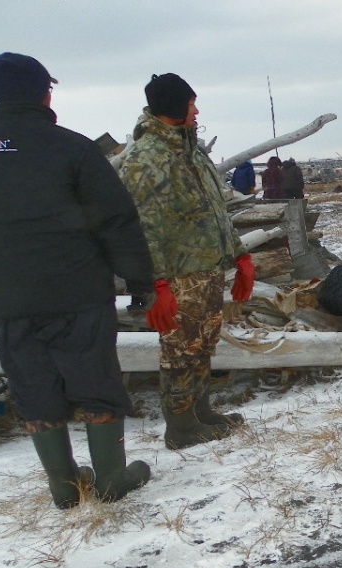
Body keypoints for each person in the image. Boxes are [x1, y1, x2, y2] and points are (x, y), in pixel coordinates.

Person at [0, 53, 153, 507]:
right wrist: (140, 281)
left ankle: (63, 486)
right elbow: (117, 221)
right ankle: (111, 479)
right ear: (45, 92)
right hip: (79, 296)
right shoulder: (73, 149)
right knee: (97, 385)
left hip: (10, 303)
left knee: (34, 390)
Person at [117, 73, 255, 450]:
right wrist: (155, 285)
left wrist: (240, 256)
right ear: (175, 106)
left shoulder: (192, 153)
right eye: (192, 102)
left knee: (203, 343)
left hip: (208, 270)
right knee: (180, 350)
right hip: (177, 277)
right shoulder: (144, 160)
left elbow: (216, 211)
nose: (197, 109)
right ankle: (180, 426)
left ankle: (201, 412)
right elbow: (143, 228)